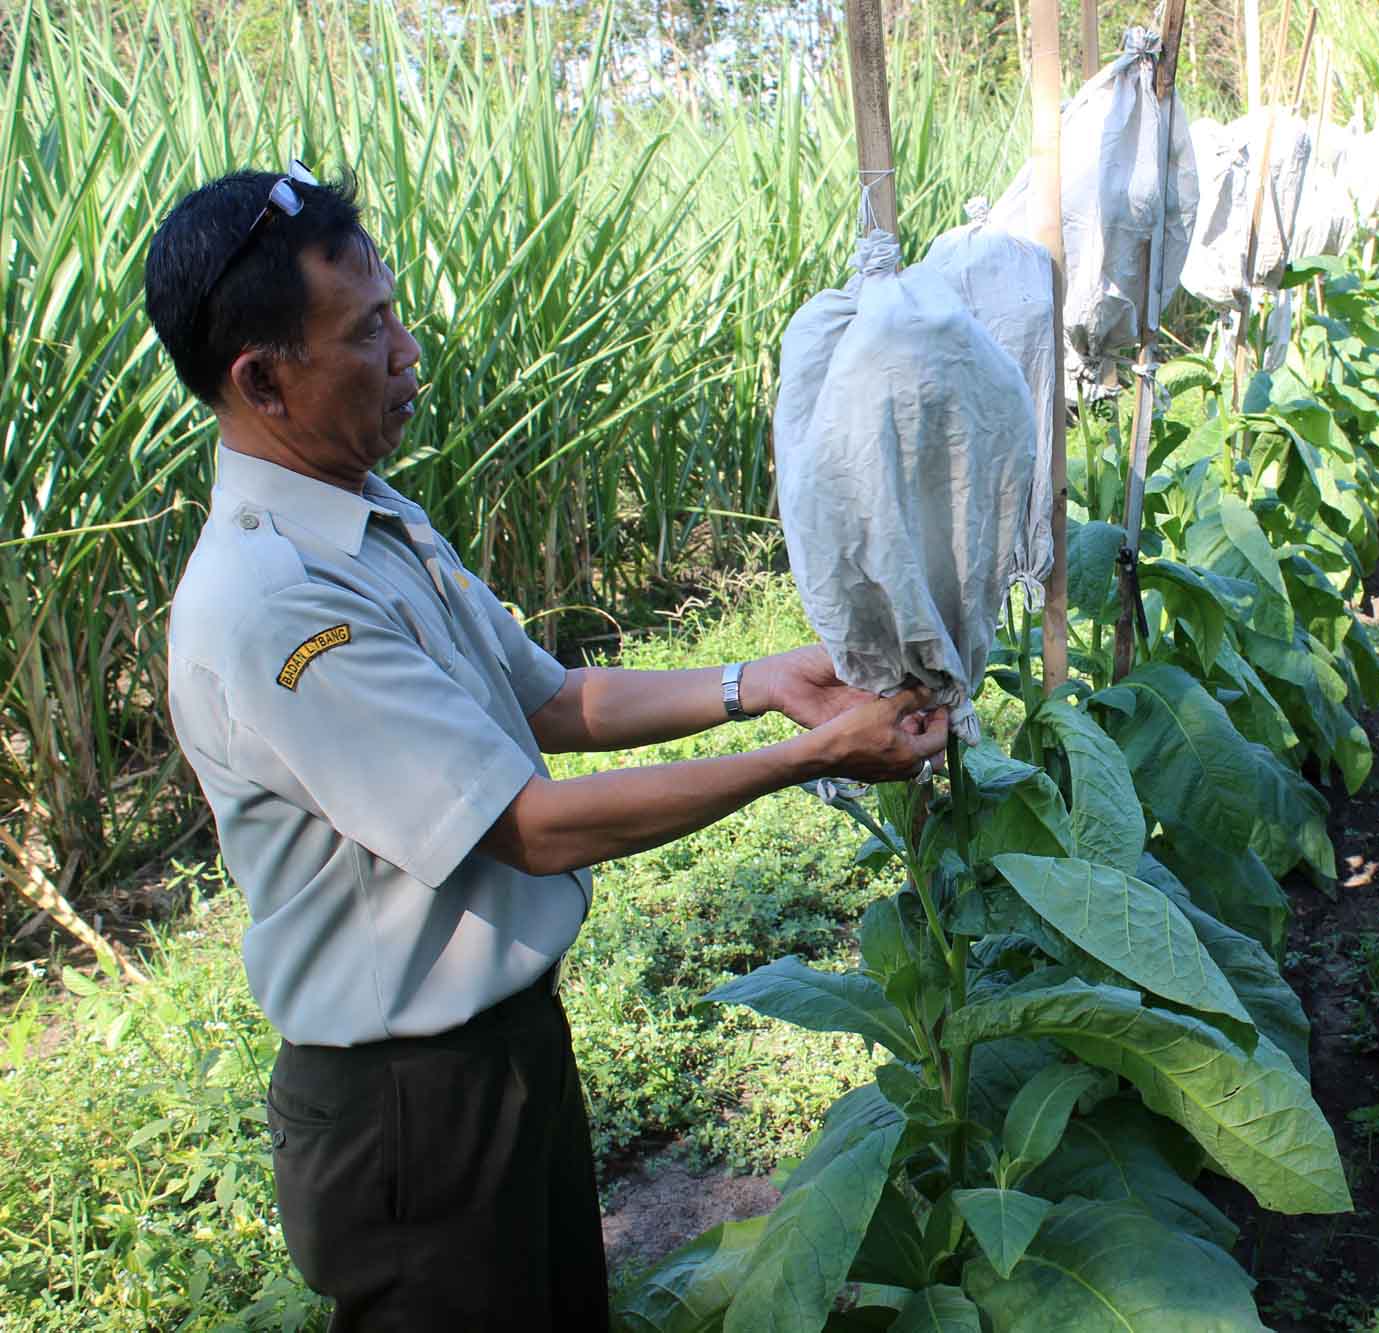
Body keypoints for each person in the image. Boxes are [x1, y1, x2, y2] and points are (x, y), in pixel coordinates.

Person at [143, 163, 948, 1331]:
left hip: (501, 1050)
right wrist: (809, 759)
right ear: (262, 379)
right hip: (406, 1109)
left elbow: (549, 700)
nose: (408, 351)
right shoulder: (272, 599)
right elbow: (524, 826)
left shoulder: (373, 518)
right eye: (368, 332)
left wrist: (757, 682)